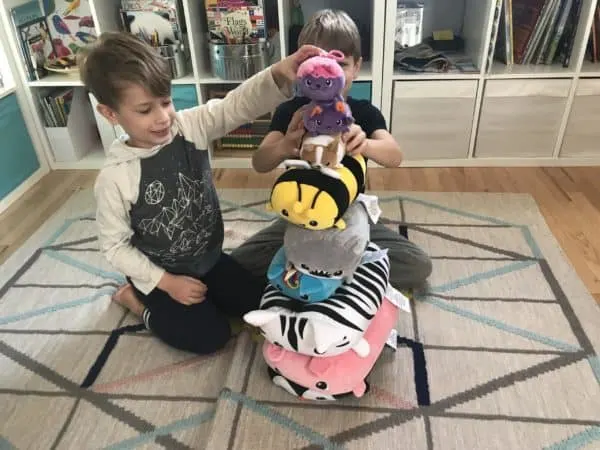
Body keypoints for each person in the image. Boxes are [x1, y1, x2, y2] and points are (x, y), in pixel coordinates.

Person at [81, 32, 321, 355]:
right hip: (160, 277)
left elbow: (234, 106)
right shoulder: (115, 178)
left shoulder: (188, 127)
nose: (163, 117)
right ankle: (137, 305)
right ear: (110, 114)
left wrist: (278, 72)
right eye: (144, 110)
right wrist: (166, 283)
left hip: (209, 259)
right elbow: (113, 246)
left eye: (165, 101)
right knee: (211, 337)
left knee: (262, 301)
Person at [230, 9, 432, 291]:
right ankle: (317, 264)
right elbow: (260, 162)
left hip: (350, 217)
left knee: (417, 264)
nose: (327, 75)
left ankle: (326, 266)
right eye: (317, 64)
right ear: (301, 67)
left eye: (341, 64)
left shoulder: (363, 112)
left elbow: (394, 155)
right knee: (236, 266)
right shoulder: (291, 111)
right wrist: (286, 144)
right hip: (300, 215)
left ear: (357, 66)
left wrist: (366, 143)